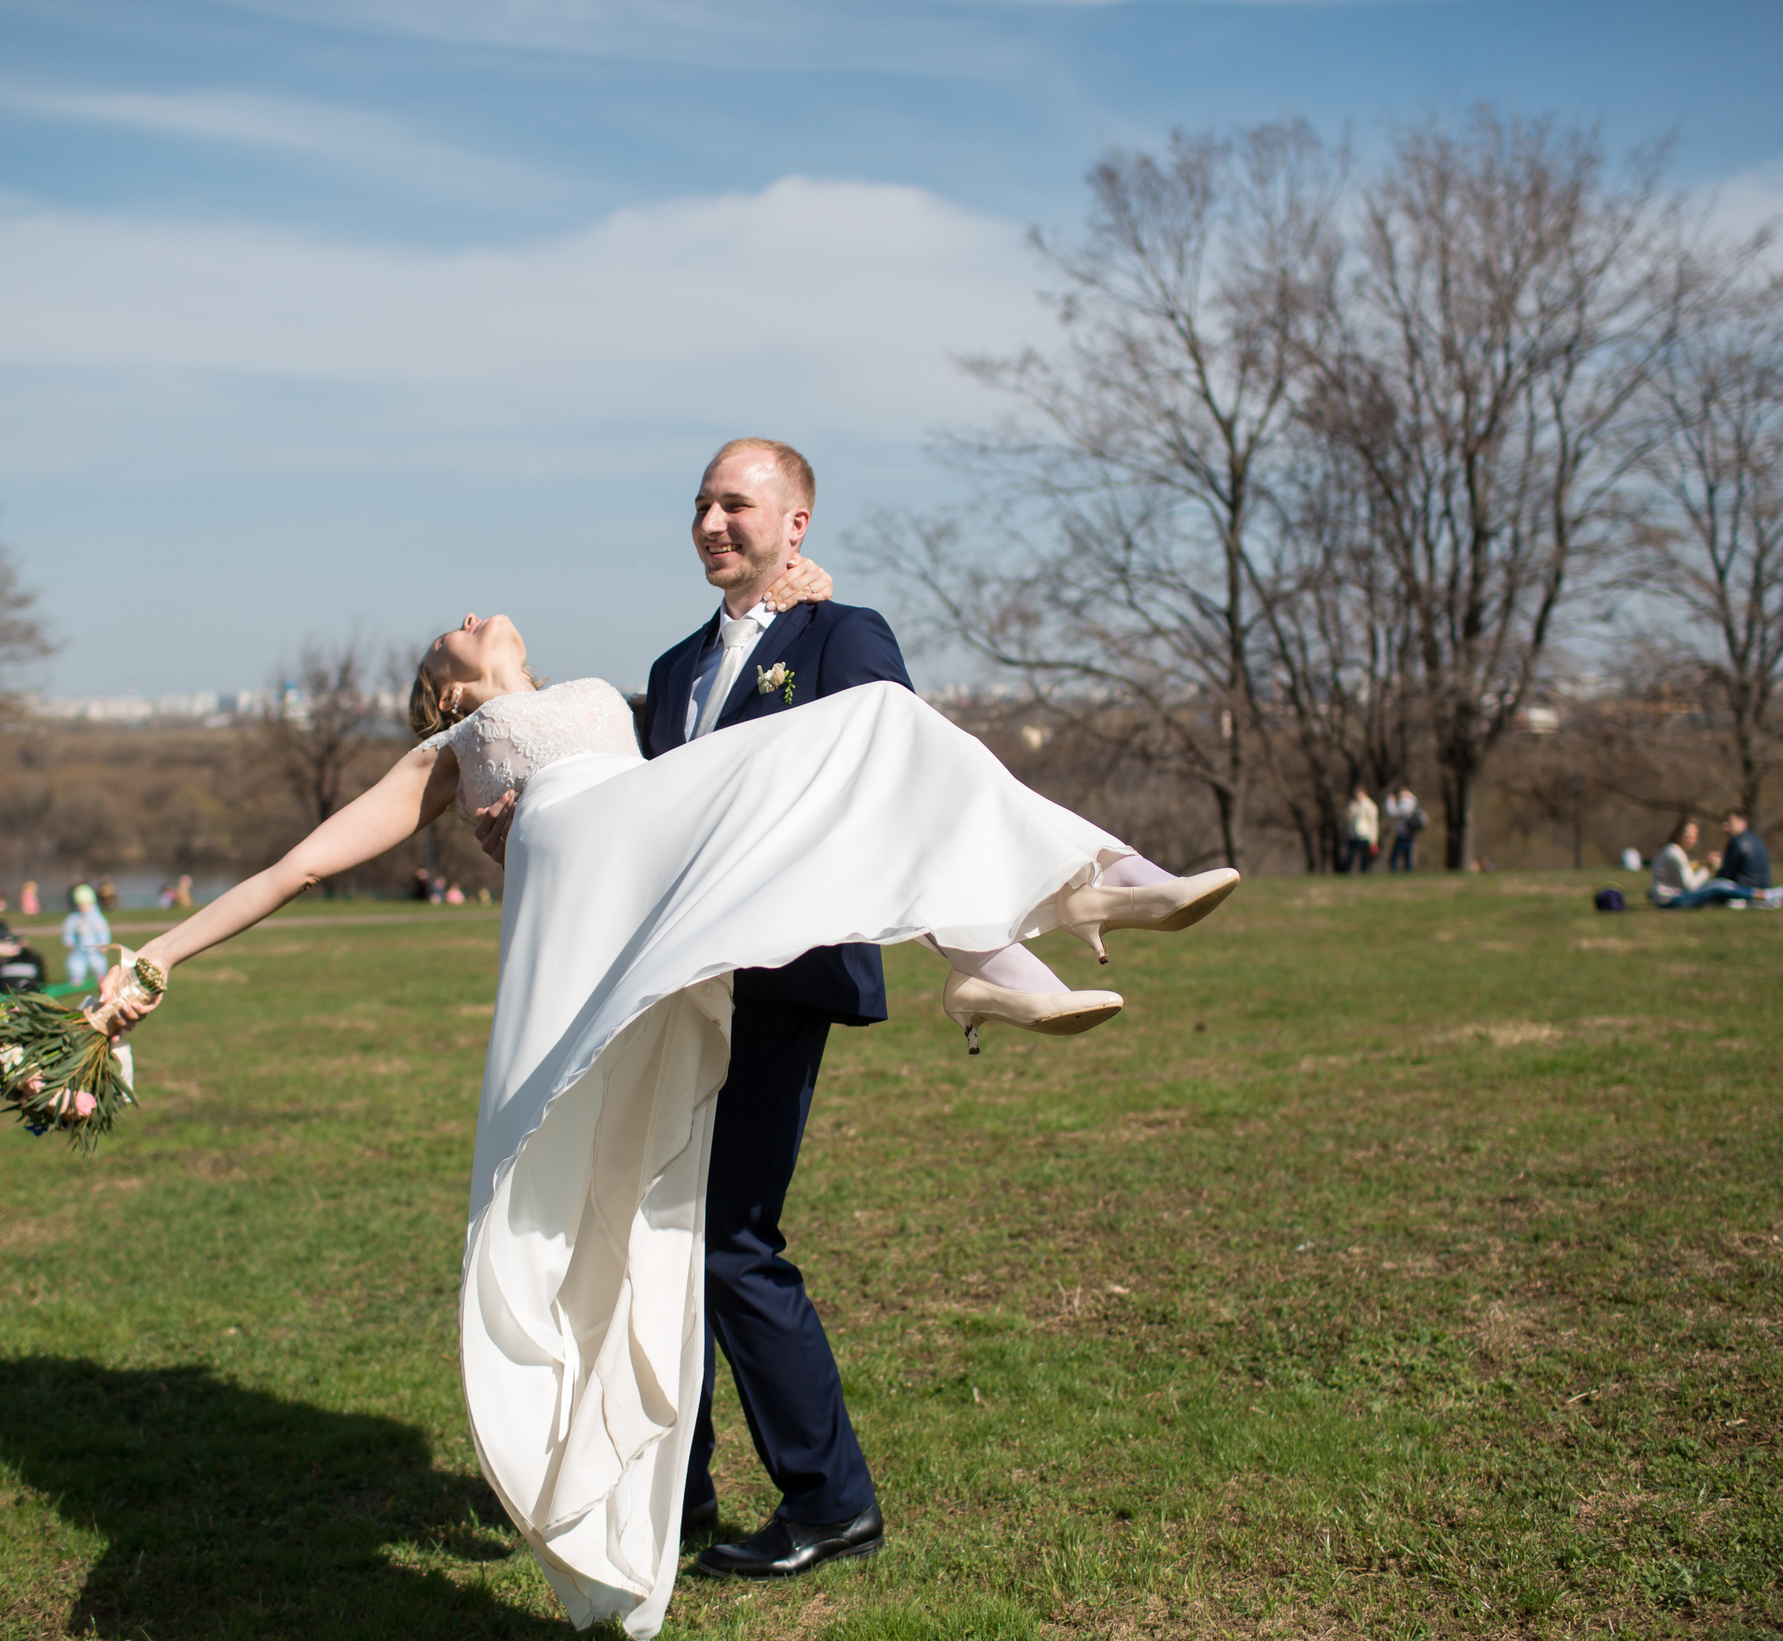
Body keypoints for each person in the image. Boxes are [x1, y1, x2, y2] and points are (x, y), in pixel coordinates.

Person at [96, 440, 1236, 1639]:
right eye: (700, 504)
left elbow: (784, 771)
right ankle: (678, 1493)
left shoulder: (734, 659)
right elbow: (310, 861)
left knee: (879, 736)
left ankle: (1042, 907)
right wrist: (162, 953)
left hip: (759, 962)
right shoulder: (541, 720)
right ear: (443, 693)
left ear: (791, 523)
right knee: (666, 1230)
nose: (469, 616)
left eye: (733, 504)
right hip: (631, 963)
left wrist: (792, 602)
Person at [1663, 809, 1783, 909]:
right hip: (1763, 885)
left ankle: (1761, 897)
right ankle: (1764, 896)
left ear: (1743, 823)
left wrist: (1711, 869)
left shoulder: (1736, 842)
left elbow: (1725, 876)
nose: (1724, 827)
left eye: (1729, 823)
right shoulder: (1756, 839)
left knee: (1718, 885)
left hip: (1741, 889)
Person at [1648, 819, 1710, 907]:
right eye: (1689, 837)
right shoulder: (1675, 853)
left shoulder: (1671, 850)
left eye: (1694, 837)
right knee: (1717, 887)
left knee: (1716, 885)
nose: (1692, 841)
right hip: (1670, 898)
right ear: (1678, 836)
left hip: (1665, 896)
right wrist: (1706, 869)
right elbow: (1690, 886)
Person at [61, 883, 113, 988]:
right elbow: (69, 930)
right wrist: (69, 942)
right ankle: (76, 978)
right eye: (80, 905)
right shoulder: (74, 918)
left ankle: (101, 977)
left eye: (85, 905)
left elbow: (103, 932)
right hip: (79, 949)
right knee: (76, 963)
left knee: (98, 963)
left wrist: (104, 945)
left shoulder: (97, 918)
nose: (83, 908)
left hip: (95, 949)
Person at [1382, 786, 1423, 873]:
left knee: (1396, 855)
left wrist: (1390, 801)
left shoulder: (1405, 802)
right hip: (1410, 831)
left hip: (1403, 832)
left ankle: (1396, 871)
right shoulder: (1414, 801)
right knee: (1407, 854)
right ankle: (1408, 871)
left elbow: (1393, 813)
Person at [1341, 785, 1379, 874]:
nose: (1358, 795)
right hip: (1353, 834)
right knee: (1349, 855)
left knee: (1364, 857)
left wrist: (1373, 839)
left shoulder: (1369, 806)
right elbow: (1348, 818)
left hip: (1364, 834)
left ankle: (1364, 872)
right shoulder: (1353, 805)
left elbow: (1373, 823)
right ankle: (1345, 872)